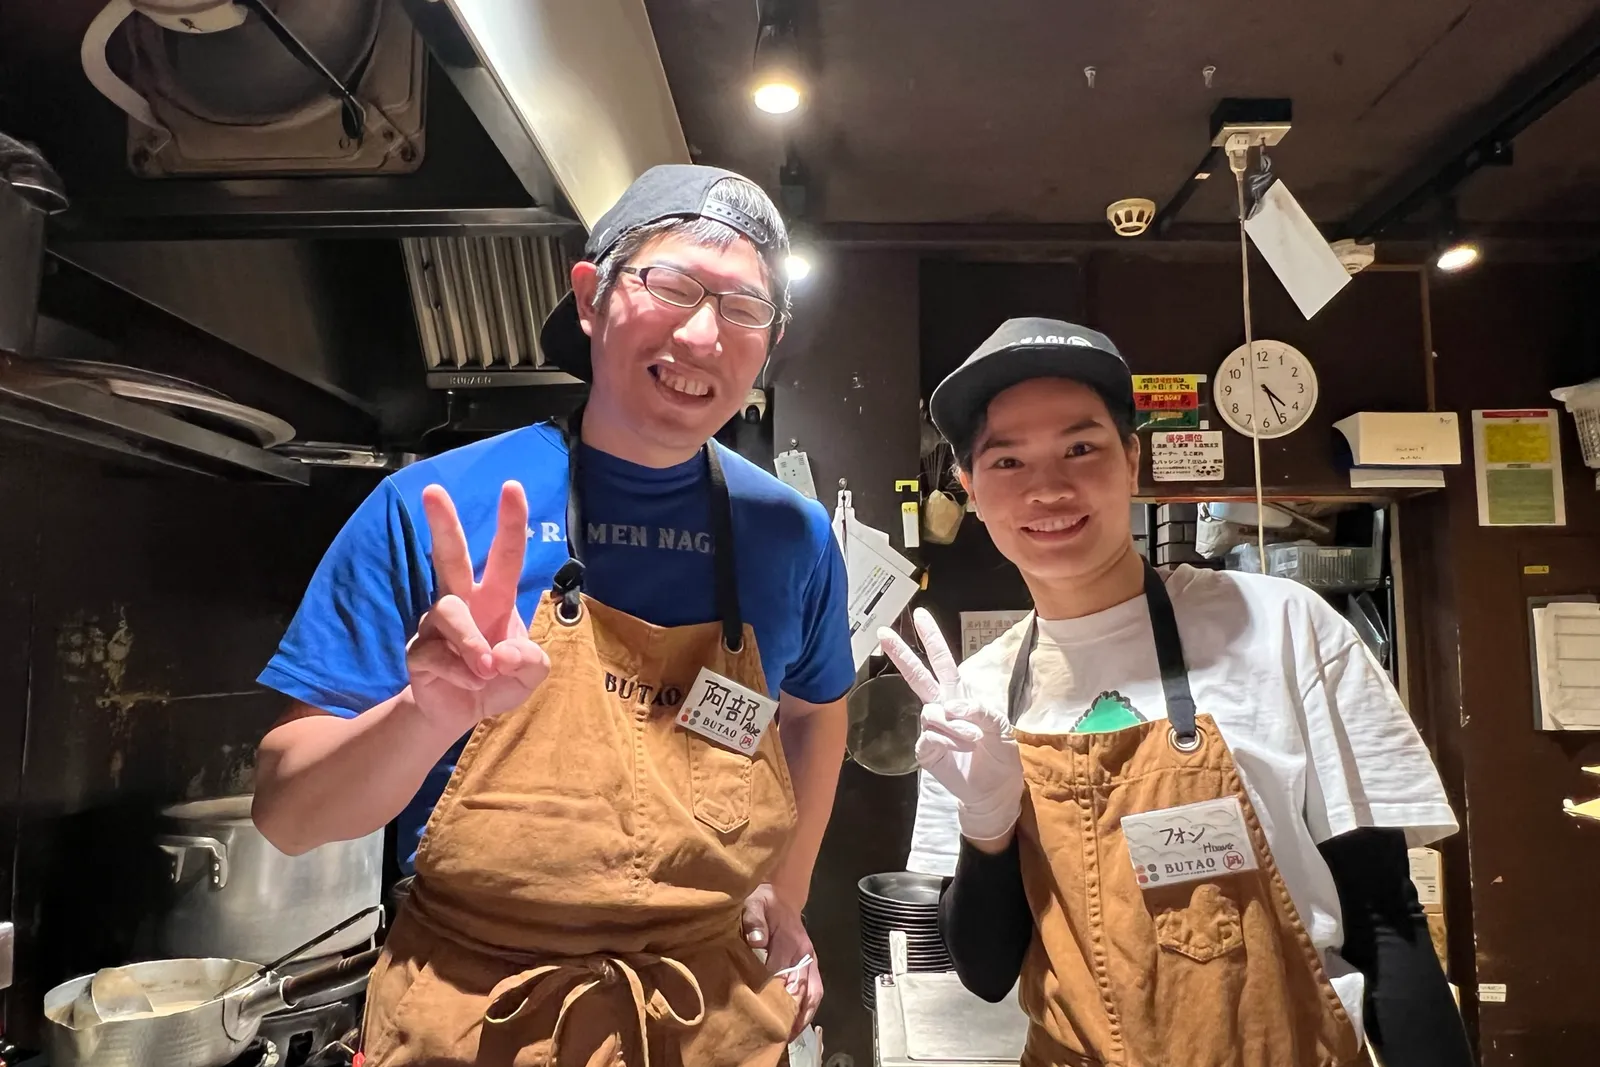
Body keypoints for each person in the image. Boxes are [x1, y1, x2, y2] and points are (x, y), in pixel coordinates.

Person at [251, 165, 854, 1067]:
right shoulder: (437, 507)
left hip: (711, 1024)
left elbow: (814, 714)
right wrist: (427, 714)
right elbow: (286, 812)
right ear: (589, 294)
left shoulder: (792, 537)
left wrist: (786, 887)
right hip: (471, 1017)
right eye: (674, 286)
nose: (702, 335)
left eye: (743, 308)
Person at [879, 318, 1473, 1067]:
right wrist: (987, 820)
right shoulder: (977, 694)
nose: (1049, 486)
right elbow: (988, 972)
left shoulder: (1285, 628)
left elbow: (1387, 920)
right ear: (969, 488)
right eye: (1007, 459)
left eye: (1081, 447)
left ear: (1131, 459)